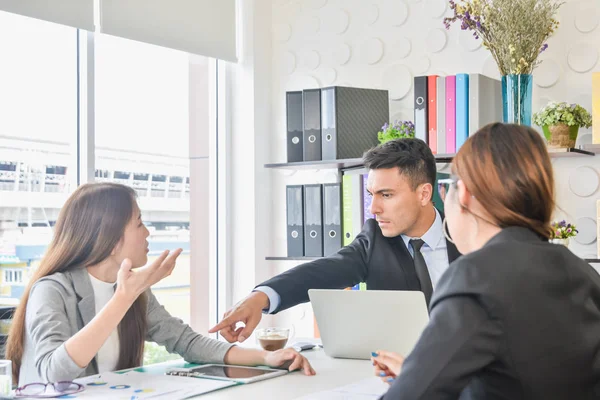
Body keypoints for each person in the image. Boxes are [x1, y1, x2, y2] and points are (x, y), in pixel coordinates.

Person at [371, 123, 600, 399]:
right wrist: (421, 372)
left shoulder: (475, 277)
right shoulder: (582, 271)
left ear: (464, 193)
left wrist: (415, 382)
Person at [6, 183, 315, 386]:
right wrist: (123, 298)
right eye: (139, 223)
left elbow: (187, 343)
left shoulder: (133, 290)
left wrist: (266, 358)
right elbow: (55, 372)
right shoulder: (51, 290)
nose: (148, 234)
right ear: (111, 239)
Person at [210, 138, 461, 343]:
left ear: (424, 193)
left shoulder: (467, 237)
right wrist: (260, 297)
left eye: (386, 195)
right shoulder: (375, 240)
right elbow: (320, 272)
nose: (373, 208)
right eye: (371, 195)